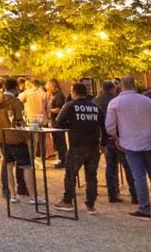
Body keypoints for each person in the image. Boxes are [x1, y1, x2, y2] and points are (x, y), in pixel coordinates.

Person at [105, 75, 151, 219]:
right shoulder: (147, 101)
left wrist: (117, 139)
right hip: (149, 141)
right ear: (134, 85)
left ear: (121, 86)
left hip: (129, 143)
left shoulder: (115, 103)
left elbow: (109, 127)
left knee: (139, 176)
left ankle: (144, 208)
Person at [54, 82, 106, 214]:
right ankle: (91, 204)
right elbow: (103, 127)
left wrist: (70, 124)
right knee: (91, 175)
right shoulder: (95, 107)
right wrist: (103, 144)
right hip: (94, 146)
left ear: (74, 92)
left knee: (71, 173)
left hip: (77, 145)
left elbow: (58, 122)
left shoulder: (70, 106)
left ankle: (68, 201)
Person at [0, 78, 38, 205]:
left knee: (8, 166)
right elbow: (19, 122)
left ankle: (12, 194)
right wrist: (27, 134)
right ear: (16, 88)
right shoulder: (16, 102)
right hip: (16, 139)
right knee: (27, 166)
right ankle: (33, 196)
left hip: (3, 137)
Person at [94, 80, 136, 204]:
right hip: (119, 137)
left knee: (110, 167)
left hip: (105, 138)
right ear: (113, 89)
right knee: (128, 166)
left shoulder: (96, 102)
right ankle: (135, 194)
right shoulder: (117, 101)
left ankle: (112, 194)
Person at [47, 79, 68, 168]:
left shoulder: (59, 95)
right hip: (54, 122)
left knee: (61, 143)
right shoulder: (54, 95)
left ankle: (63, 161)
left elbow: (59, 109)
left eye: (48, 88)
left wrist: (48, 110)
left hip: (59, 123)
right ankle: (61, 159)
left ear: (53, 87)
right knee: (57, 143)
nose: (47, 89)